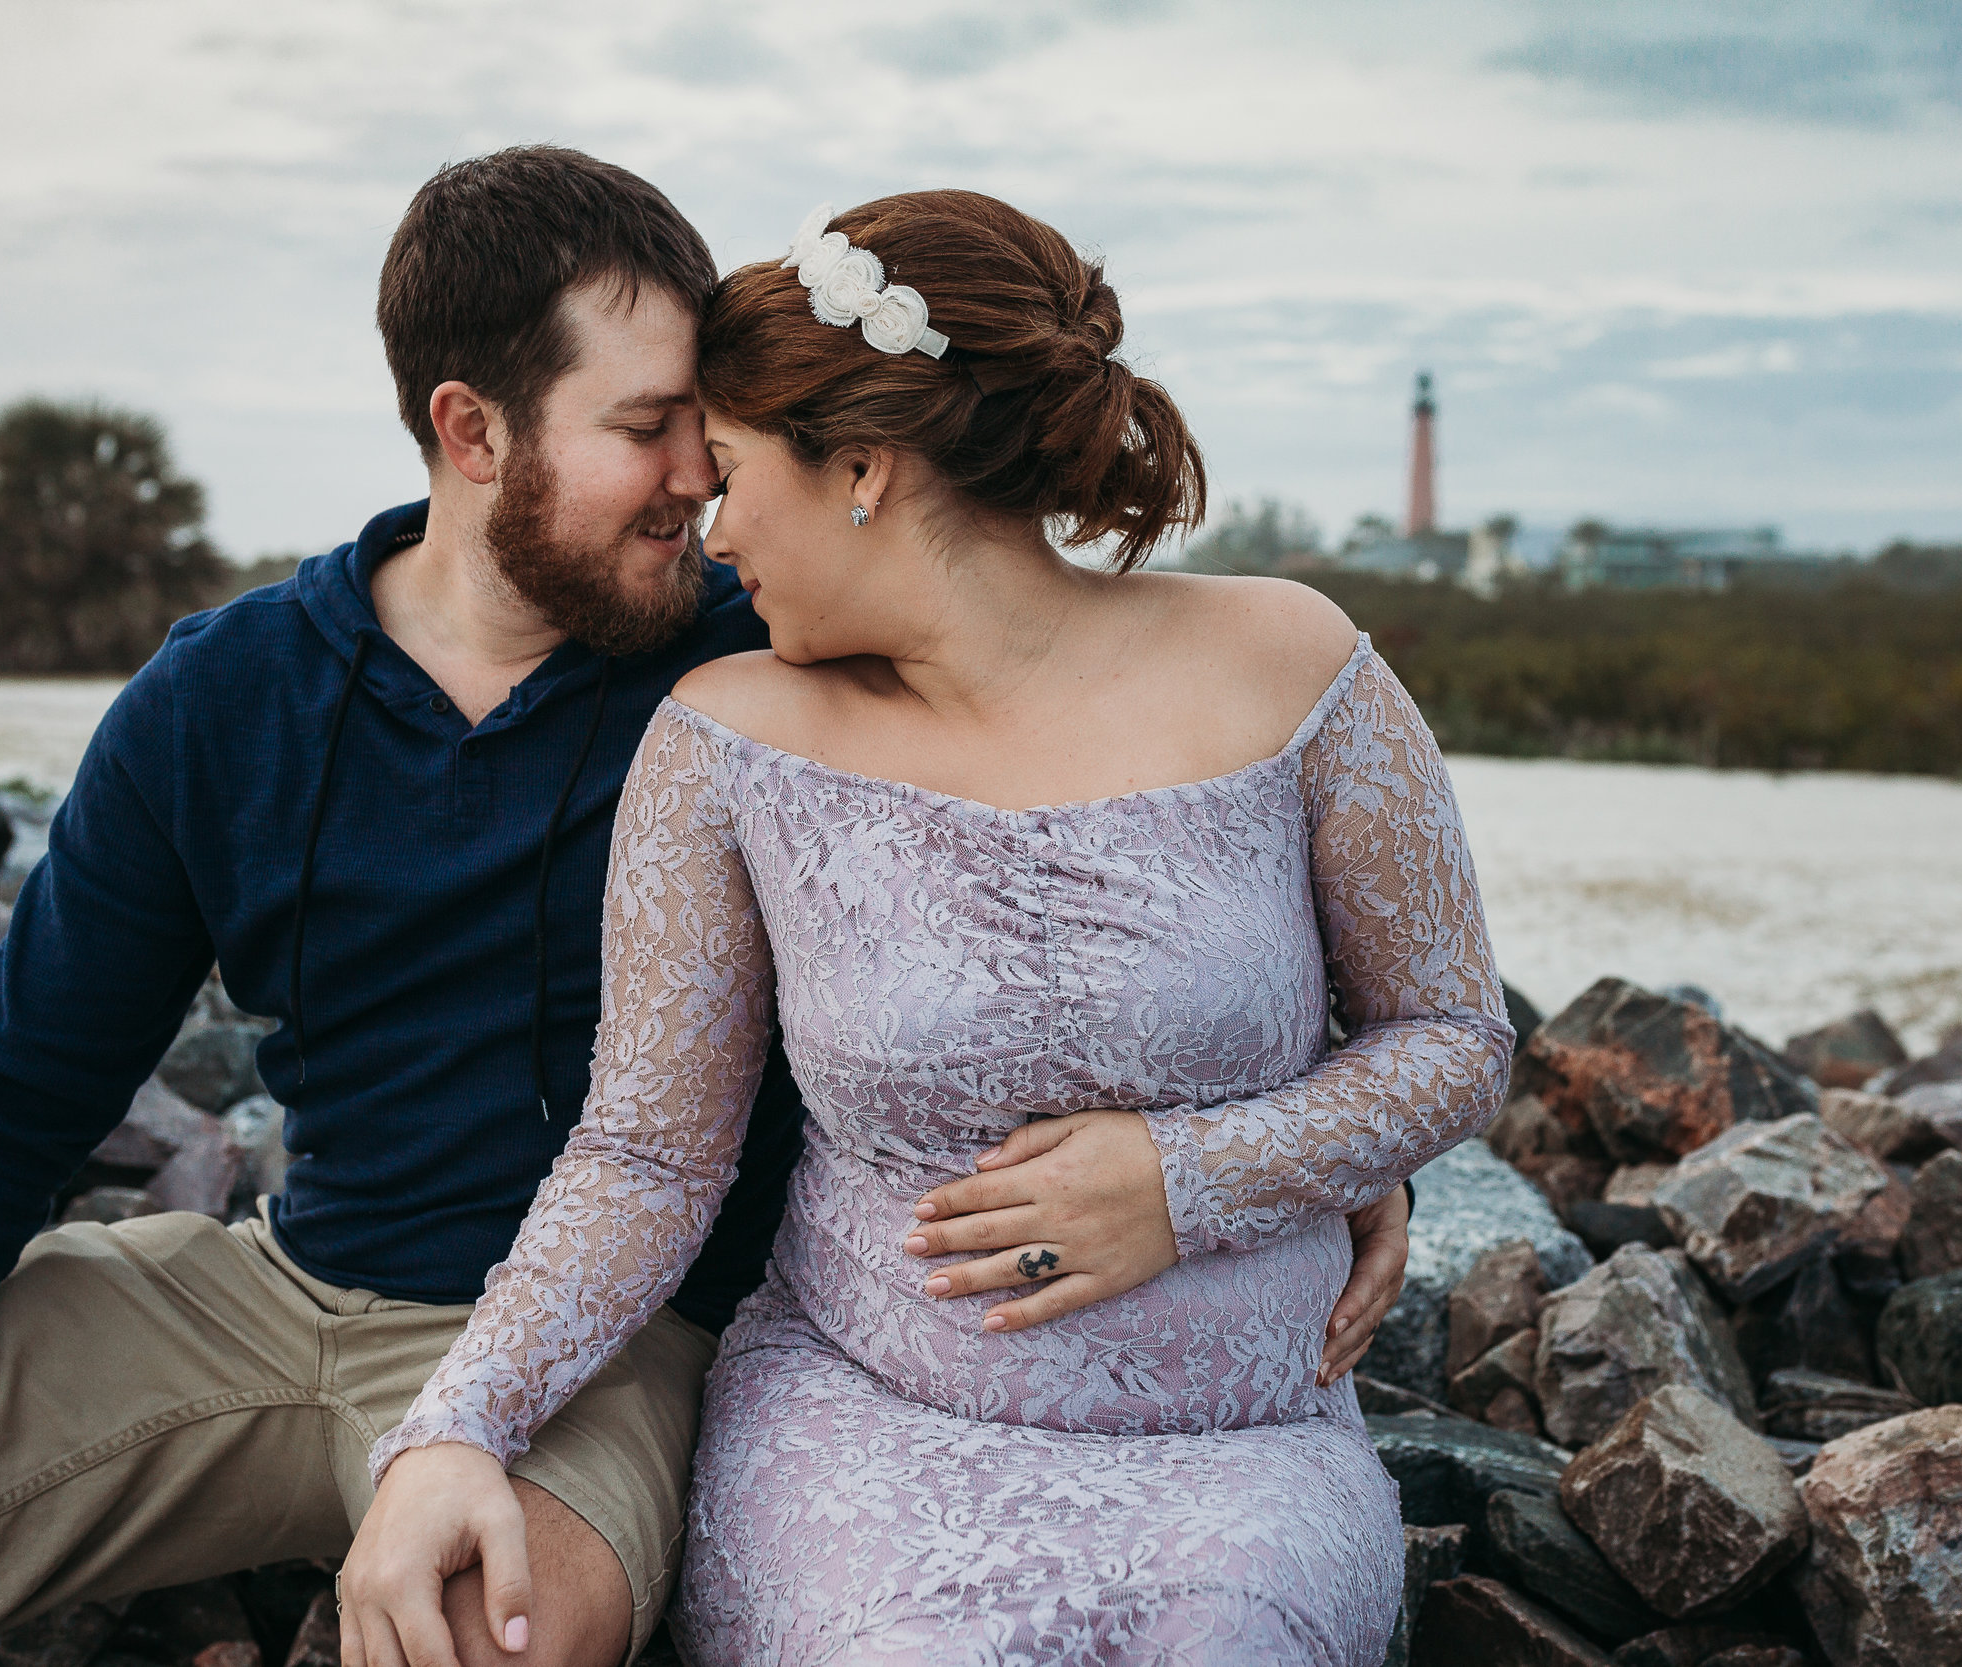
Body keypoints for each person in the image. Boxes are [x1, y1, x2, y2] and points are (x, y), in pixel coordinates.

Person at [0, 149, 1411, 1667]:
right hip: (275, 1282)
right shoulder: (221, 699)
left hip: (615, 1350)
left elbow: (1109, 805)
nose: (704, 483)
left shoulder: (788, 651)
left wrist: (1291, 1145)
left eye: (707, 431)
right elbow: (10, 1098)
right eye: (648, 430)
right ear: (472, 432)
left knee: (483, 1636)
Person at [353, 191, 1510, 1664]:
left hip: (1243, 1452)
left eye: (734, 475)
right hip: (868, 1429)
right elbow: (647, 1150)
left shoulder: (1292, 663)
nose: (710, 532)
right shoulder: (723, 734)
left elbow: (1456, 1040)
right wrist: (457, 1427)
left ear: (862, 470)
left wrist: (1197, 1176)